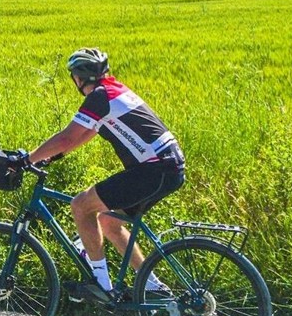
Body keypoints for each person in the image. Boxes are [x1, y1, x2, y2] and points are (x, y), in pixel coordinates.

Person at [24, 47, 184, 302]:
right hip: (169, 168)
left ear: (78, 78)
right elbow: (87, 132)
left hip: (154, 170)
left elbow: (67, 137)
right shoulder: (113, 90)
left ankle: (101, 284)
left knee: (81, 205)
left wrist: (26, 159)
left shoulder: (99, 97)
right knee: (109, 222)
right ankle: (153, 286)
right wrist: (52, 156)